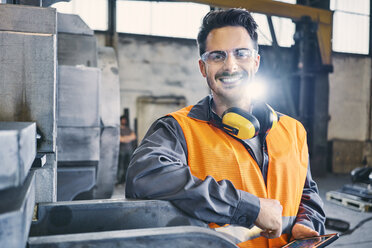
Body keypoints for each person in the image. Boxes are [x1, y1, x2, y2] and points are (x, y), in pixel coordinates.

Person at [125, 8, 325, 247]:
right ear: (203, 67)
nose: (230, 66)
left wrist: (308, 222)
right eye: (217, 56)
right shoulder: (178, 129)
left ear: (256, 62)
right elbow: (145, 175)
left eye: (241, 54)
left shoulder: (293, 130)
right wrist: (248, 208)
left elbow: (307, 191)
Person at [117, 115, 136, 184]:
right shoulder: (118, 129)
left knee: (128, 166)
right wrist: (128, 138)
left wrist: (125, 138)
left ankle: (127, 180)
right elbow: (120, 139)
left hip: (129, 150)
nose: (124, 121)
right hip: (121, 151)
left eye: (125, 120)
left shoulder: (128, 129)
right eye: (123, 120)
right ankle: (119, 180)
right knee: (120, 166)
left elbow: (134, 137)